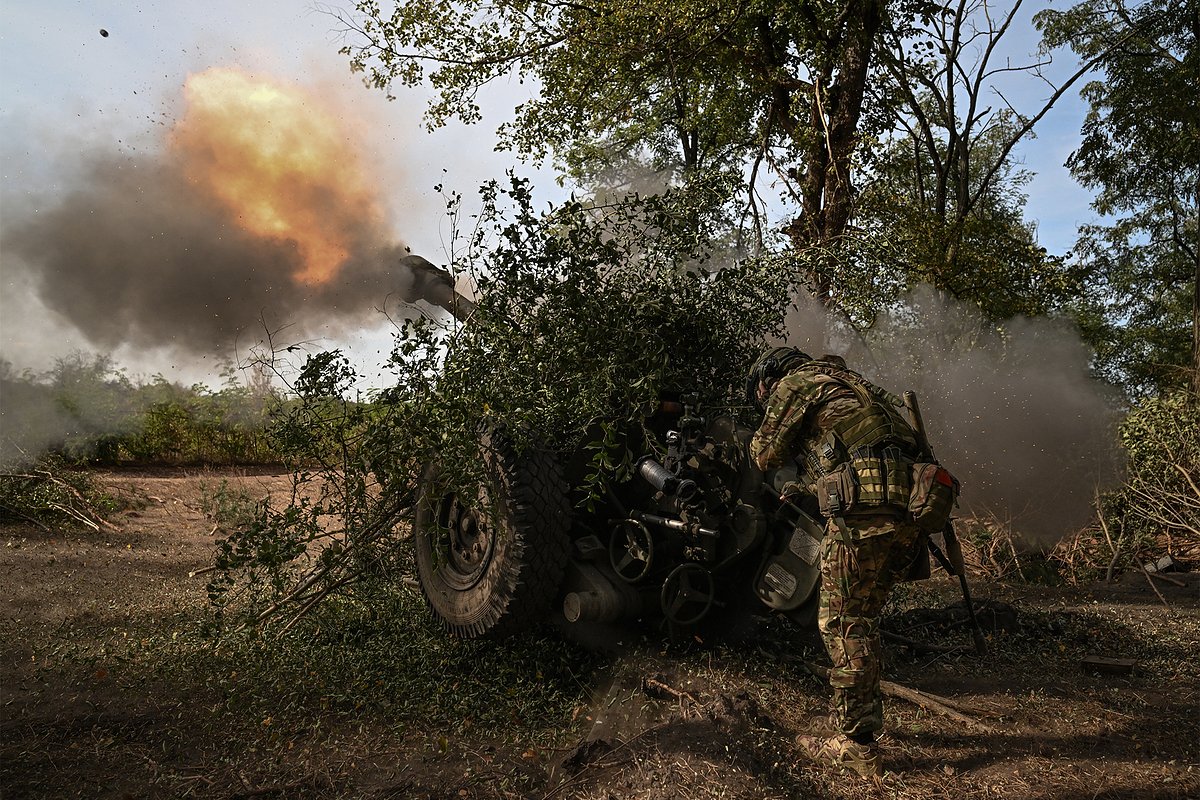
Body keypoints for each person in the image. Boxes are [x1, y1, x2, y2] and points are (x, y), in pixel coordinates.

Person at [746, 346, 925, 779]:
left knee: (842, 623)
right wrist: (812, 489)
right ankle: (864, 723)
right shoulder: (864, 387)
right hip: (909, 512)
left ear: (770, 378)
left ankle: (857, 746)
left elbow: (764, 454)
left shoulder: (796, 383)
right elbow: (855, 450)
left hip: (864, 512)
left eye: (760, 392)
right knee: (861, 619)